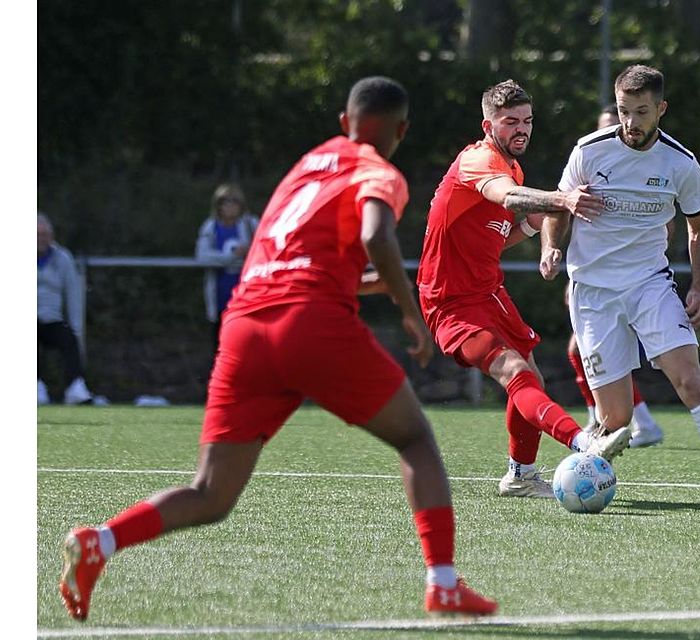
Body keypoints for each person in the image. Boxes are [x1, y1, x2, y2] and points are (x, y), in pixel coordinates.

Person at [58, 76, 497, 622]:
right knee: (414, 439)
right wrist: (410, 312)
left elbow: (290, 261)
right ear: (402, 131)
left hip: (246, 325)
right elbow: (375, 236)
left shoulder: (305, 167)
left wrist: (366, 285)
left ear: (344, 122)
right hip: (309, 324)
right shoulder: (379, 170)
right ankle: (444, 584)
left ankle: (101, 541)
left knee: (211, 492)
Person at [540, 64, 700, 514]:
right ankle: (588, 464)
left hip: (648, 285)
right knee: (616, 421)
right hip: (592, 292)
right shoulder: (589, 152)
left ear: (661, 109)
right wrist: (552, 247)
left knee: (691, 381)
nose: (631, 123)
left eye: (641, 112)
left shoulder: (680, 163)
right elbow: (558, 205)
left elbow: (699, 229)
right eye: (624, 111)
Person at [416, 79, 632, 500]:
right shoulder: (478, 162)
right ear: (488, 125)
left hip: (488, 291)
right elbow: (509, 197)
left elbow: (501, 231)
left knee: (529, 376)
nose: (522, 129)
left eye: (528, 121)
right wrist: (559, 200)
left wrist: (546, 234)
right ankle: (584, 444)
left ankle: (520, 476)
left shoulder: (514, 167)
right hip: (449, 301)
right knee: (514, 372)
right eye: (510, 121)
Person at [564, 105, 664, 447]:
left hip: (634, 280)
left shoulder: (650, 165)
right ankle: (607, 418)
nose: (624, 128)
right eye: (612, 123)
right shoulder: (591, 156)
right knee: (582, 351)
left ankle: (628, 421)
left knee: (605, 354)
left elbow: (665, 220)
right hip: (595, 280)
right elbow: (573, 218)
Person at [195, 183, 259, 357]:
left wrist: (249, 251)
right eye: (225, 201)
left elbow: (264, 250)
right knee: (219, 346)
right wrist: (232, 256)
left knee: (248, 343)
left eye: (234, 201)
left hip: (247, 296)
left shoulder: (251, 224)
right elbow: (202, 256)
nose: (230, 206)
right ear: (218, 205)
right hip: (219, 296)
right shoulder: (210, 227)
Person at [37, 213, 94, 405]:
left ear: (51, 236)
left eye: (44, 234)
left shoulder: (63, 259)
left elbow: (73, 295)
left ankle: (75, 387)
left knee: (69, 339)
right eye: (36, 235)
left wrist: (76, 329)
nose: (40, 239)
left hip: (52, 319)